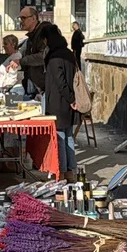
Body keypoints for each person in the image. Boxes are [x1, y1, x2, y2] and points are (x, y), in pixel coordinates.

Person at [43, 26, 79, 179]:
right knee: (68, 136)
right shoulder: (69, 54)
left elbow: (60, 82)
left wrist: (70, 99)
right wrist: (72, 99)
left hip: (58, 102)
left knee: (60, 137)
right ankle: (71, 170)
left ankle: (62, 171)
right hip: (69, 102)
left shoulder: (54, 57)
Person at [17, 7, 47, 97]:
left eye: (23, 18)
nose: (21, 21)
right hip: (36, 87)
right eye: (20, 18)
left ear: (34, 18)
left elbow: (44, 56)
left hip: (48, 87)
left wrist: (21, 61)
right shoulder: (31, 38)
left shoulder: (45, 33)